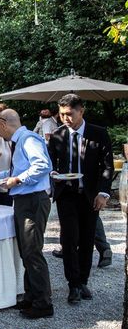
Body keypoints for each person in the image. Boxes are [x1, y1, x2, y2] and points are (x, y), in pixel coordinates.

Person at [48, 94, 113, 304]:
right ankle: (72, 284)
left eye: (69, 114)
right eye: (62, 114)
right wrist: (53, 175)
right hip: (66, 194)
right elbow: (50, 164)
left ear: (81, 111)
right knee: (69, 239)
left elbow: (107, 166)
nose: (65, 118)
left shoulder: (99, 134)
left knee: (86, 239)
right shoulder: (57, 135)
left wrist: (103, 193)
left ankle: (83, 280)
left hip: (90, 195)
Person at [0, 109, 53, 319]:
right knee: (26, 251)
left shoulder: (27, 139)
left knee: (32, 251)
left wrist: (16, 181)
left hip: (33, 200)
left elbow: (43, 166)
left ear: (2, 123)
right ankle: (31, 296)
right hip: (25, 200)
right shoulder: (21, 141)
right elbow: (19, 169)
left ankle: (43, 303)